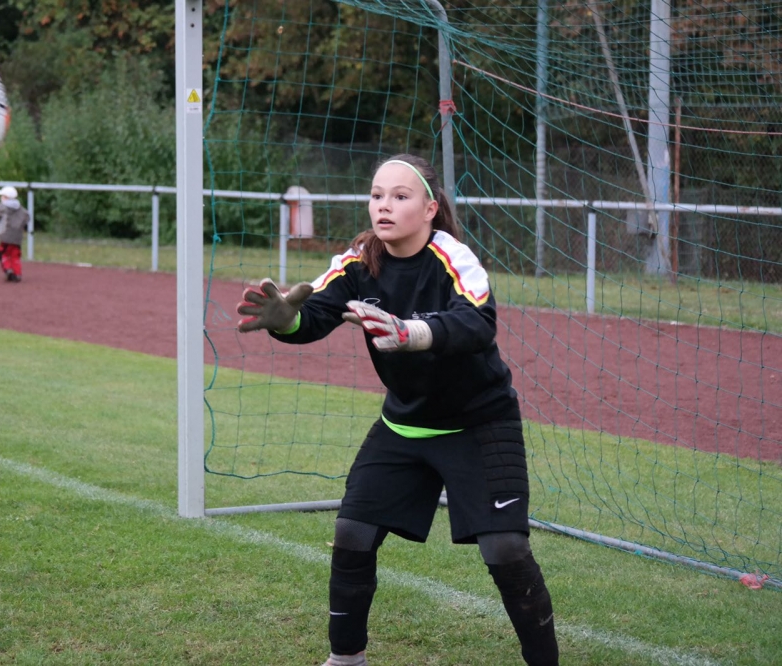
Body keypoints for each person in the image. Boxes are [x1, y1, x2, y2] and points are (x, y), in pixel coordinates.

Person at [235, 154, 559, 666]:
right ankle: (347, 659)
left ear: (430, 208)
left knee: (506, 550)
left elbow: (477, 322)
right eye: (377, 195)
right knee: (353, 532)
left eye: (400, 196)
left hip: (479, 423)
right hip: (404, 424)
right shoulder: (359, 261)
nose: (384, 205)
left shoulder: (453, 257)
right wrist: (285, 321)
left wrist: (412, 333)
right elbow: (314, 313)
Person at [0, 185, 30, 282]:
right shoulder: (21, 209)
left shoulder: (1, 207)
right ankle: (17, 273)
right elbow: (27, 217)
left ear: (5, 197)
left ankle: (8, 270)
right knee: (15, 255)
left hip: (5, 236)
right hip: (17, 238)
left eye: (2, 196)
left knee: (3, 253)